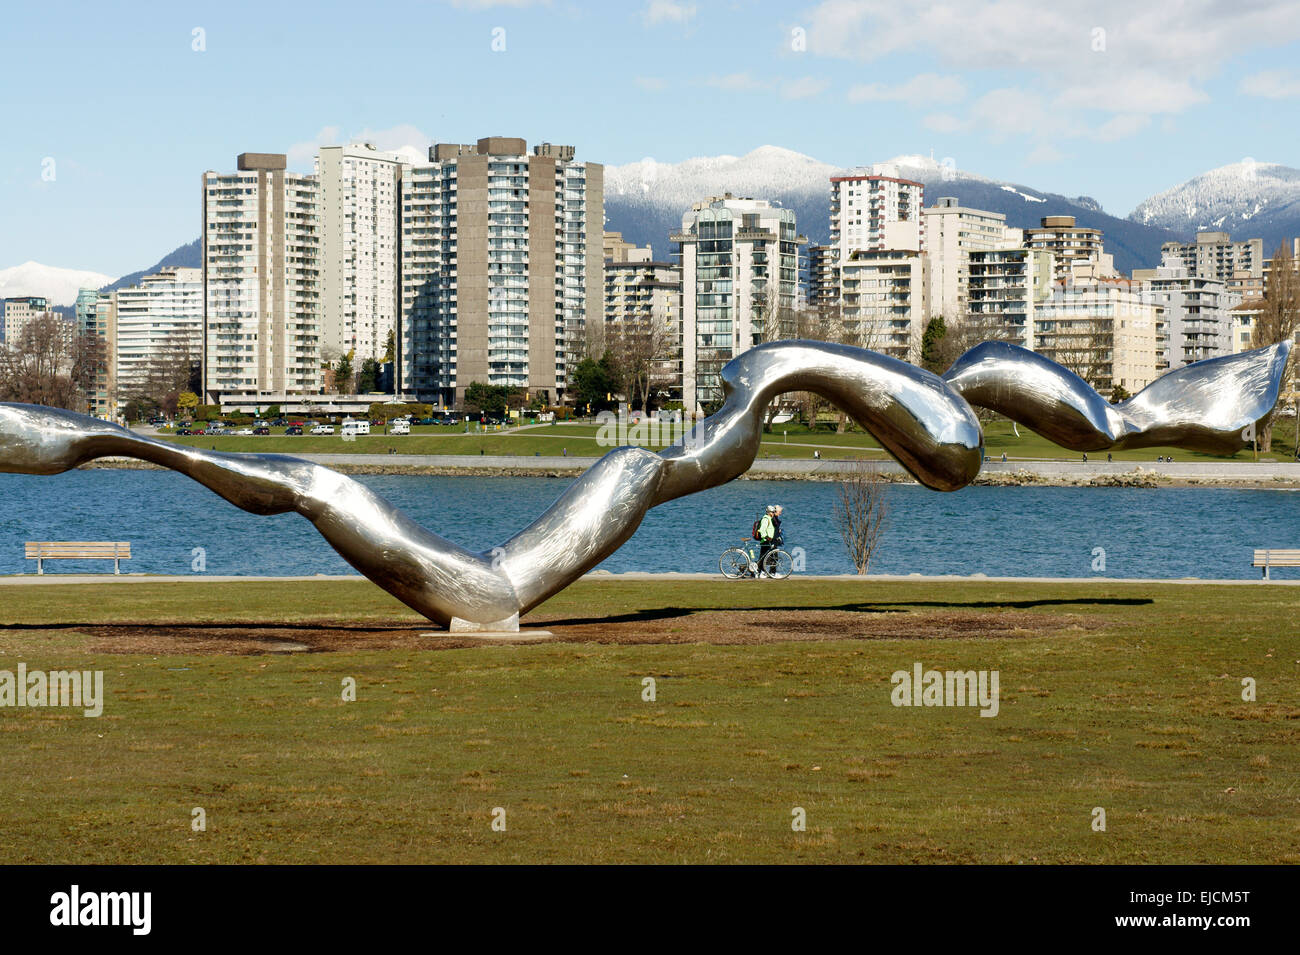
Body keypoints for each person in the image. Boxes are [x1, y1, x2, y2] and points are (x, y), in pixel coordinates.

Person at [756, 504, 783, 577]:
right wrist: (767, 537)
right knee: (763, 557)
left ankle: (763, 572)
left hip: (769, 540)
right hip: (766, 540)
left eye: (774, 512)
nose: (773, 513)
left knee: (765, 556)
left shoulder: (770, 518)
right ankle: (761, 572)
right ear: (769, 512)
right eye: (772, 512)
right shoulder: (766, 519)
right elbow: (762, 530)